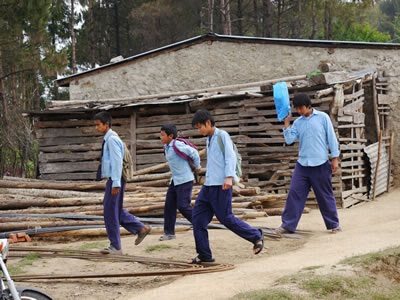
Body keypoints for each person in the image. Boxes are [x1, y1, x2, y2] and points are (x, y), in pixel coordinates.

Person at [189, 109, 263, 264]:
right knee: (197, 219)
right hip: (209, 186)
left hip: (221, 185)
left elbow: (230, 157)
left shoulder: (222, 136)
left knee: (226, 218)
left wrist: (229, 177)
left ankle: (256, 235)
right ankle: (204, 255)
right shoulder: (209, 139)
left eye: (199, 127)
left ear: (208, 123)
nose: (199, 130)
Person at [274, 93, 341, 236]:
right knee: (294, 193)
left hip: (321, 164)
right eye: (296, 109)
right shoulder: (298, 122)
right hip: (303, 165)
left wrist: (335, 158)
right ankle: (287, 225)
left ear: (308, 105)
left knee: (325, 195)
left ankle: (333, 225)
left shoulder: (323, 118)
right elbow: (290, 140)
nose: (299, 111)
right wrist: (286, 123)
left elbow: (331, 138)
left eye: (300, 108)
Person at [94, 111, 151, 254]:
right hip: (115, 179)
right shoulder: (110, 138)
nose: (96, 128)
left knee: (110, 212)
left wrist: (116, 183)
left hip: (115, 180)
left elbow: (117, 161)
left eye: (98, 125)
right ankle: (140, 228)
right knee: (115, 210)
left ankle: (116, 246)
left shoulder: (112, 139)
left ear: (106, 125)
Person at [159, 124, 201, 241]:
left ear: (170, 136)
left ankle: (199, 223)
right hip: (175, 180)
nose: (160, 137)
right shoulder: (166, 147)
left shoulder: (177, 144)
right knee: (169, 206)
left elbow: (194, 153)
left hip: (185, 180)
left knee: (183, 206)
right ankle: (169, 233)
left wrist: (198, 167)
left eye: (162, 135)